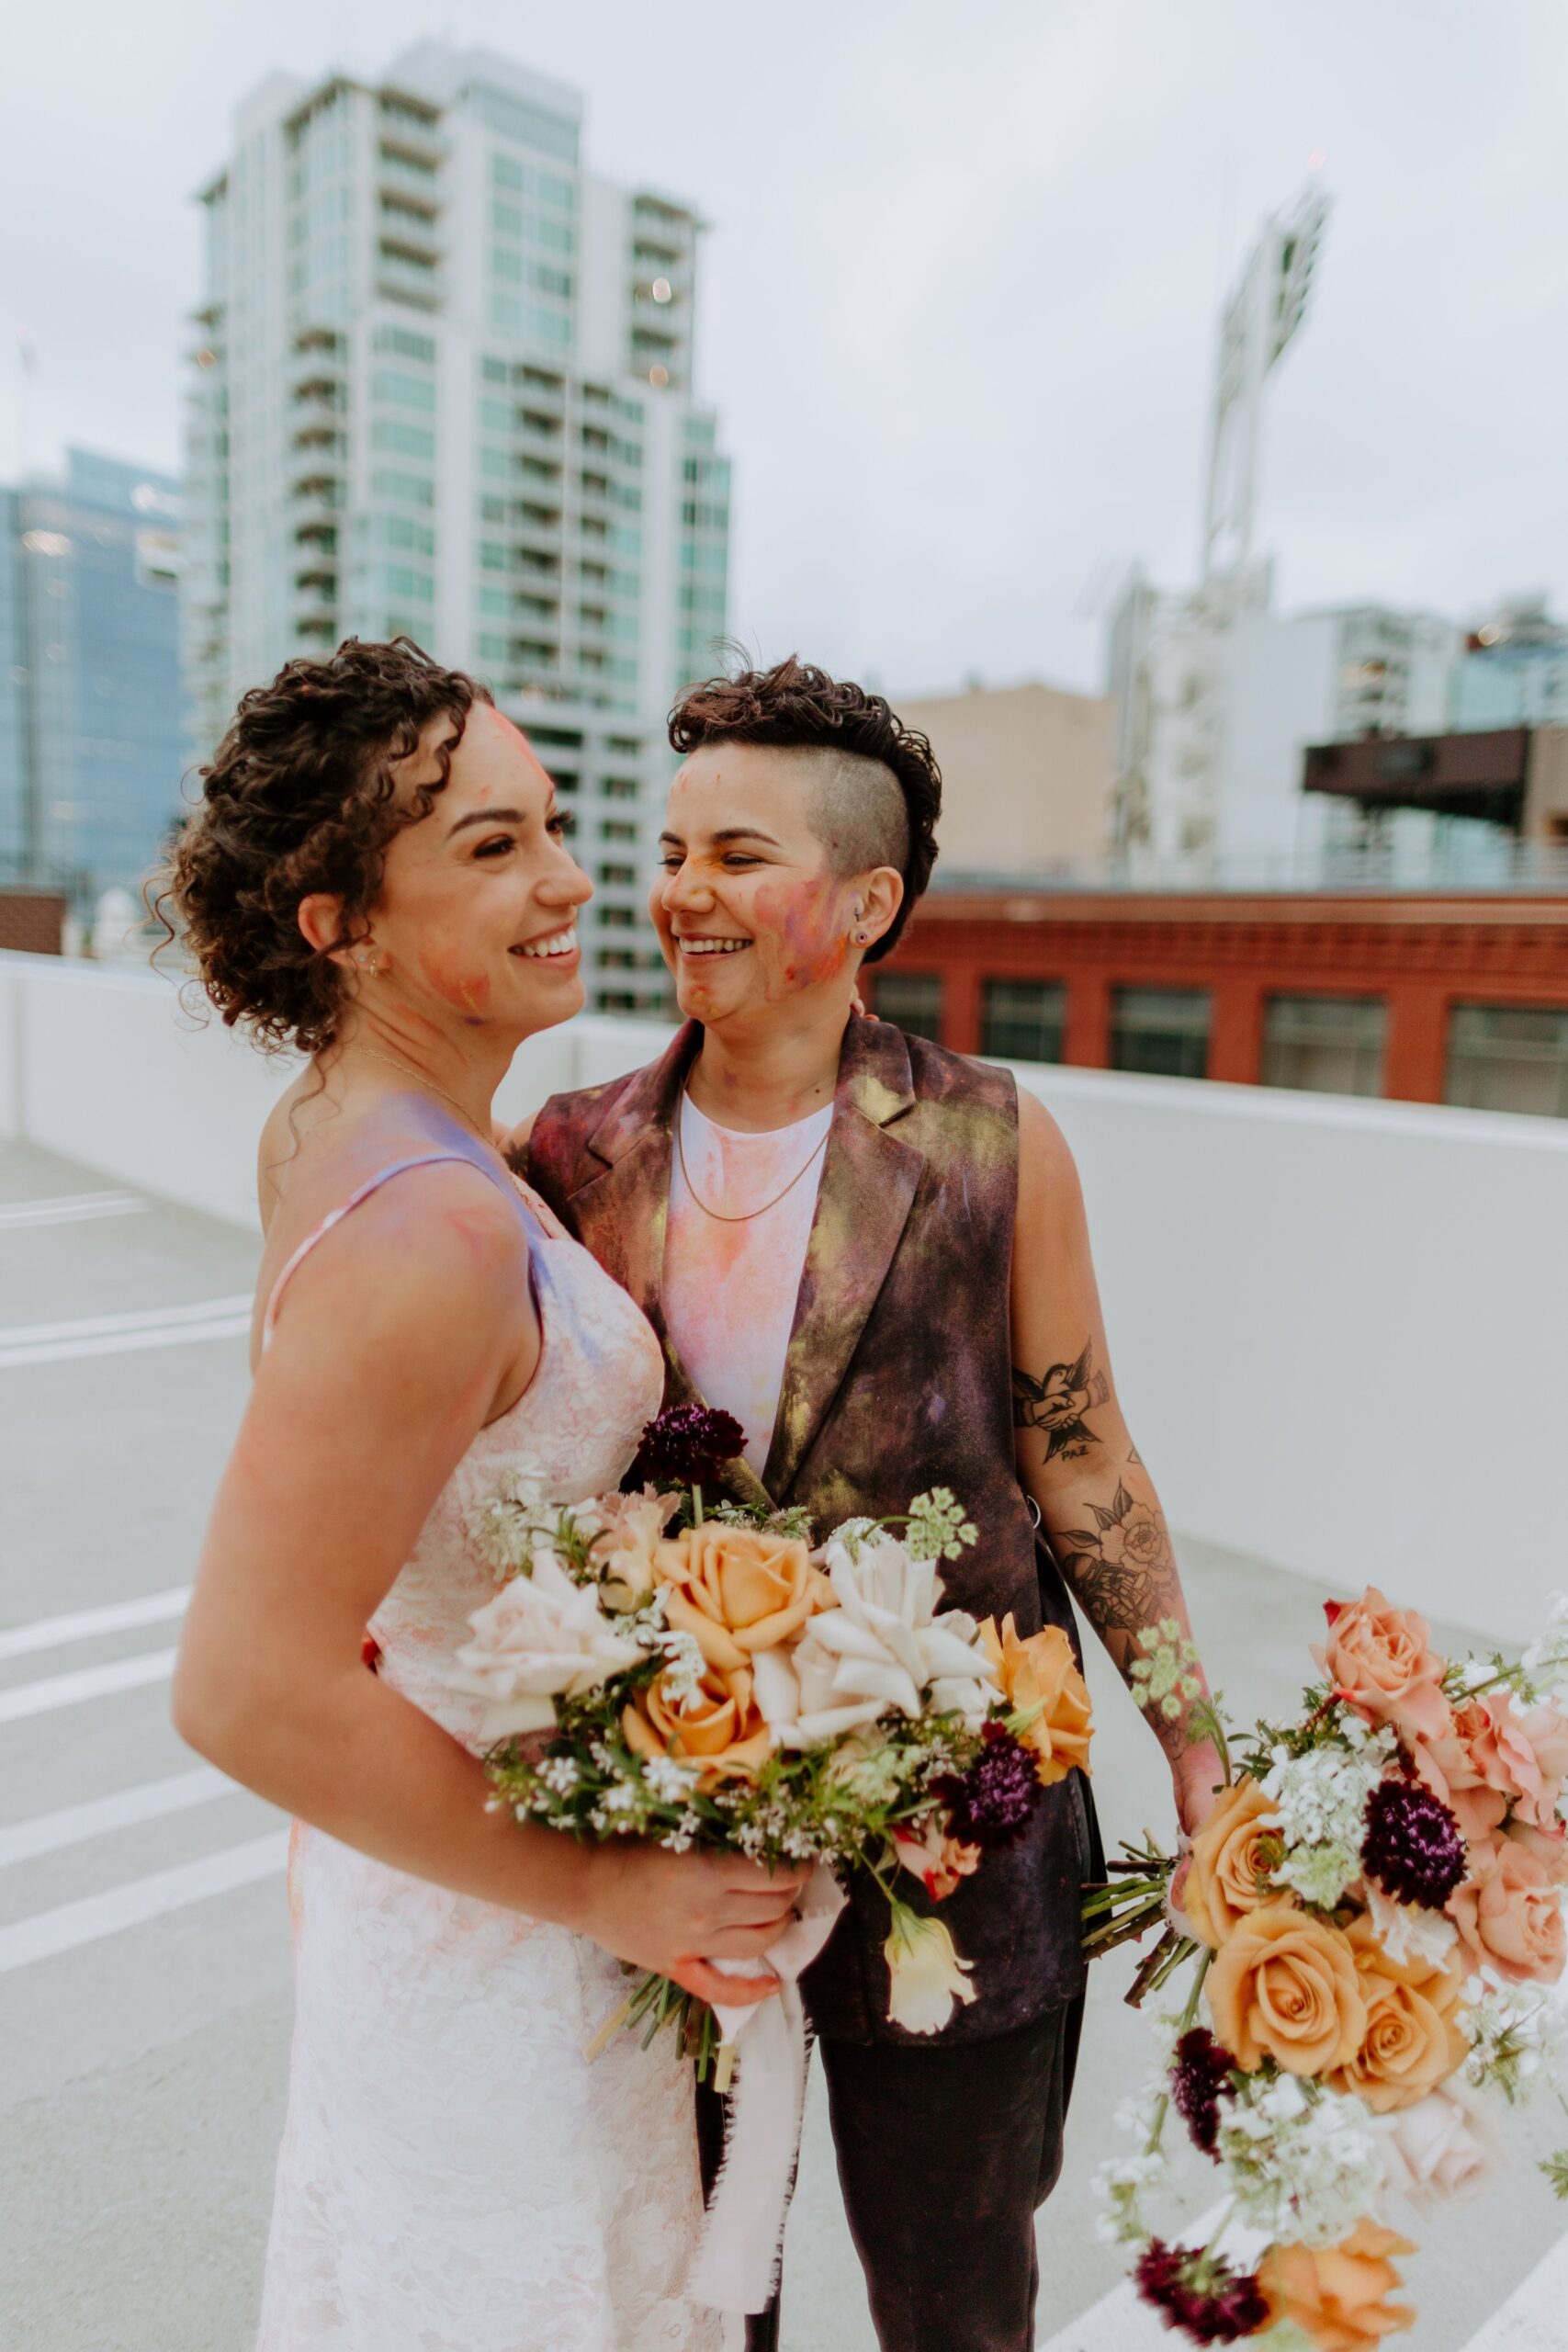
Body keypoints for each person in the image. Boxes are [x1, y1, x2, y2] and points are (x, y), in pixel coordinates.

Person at [518, 655, 1224, 2352]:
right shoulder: (565, 1151)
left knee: (959, 2305)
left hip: (964, 1852)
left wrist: (1199, 1753)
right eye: (673, 847)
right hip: (678, 1857)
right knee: (697, 2299)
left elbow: (1085, 1457)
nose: (684, 892)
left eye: (737, 853)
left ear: (866, 898)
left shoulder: (993, 1144)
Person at [164, 637, 807, 2352]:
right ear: (341, 928)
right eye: (490, 846)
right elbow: (238, 1685)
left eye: (552, 825)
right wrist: (613, 1893)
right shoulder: (434, 1234)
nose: (571, 880)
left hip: (433, 1895)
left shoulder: (342, 1129)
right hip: (508, 1938)